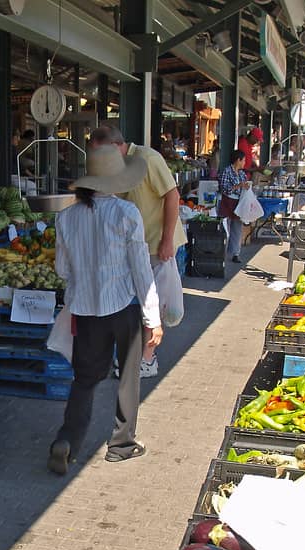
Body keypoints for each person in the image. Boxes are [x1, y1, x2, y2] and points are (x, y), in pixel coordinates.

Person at [47, 144, 161, 475]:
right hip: (123, 309)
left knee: (84, 379)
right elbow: (142, 270)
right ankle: (121, 445)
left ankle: (66, 441)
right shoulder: (127, 214)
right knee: (127, 377)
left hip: (85, 311)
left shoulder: (66, 217)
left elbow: (62, 270)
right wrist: (153, 319)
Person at [89, 122, 187, 379]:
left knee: (151, 307)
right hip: (135, 247)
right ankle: (134, 356)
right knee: (136, 305)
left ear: (115, 146)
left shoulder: (147, 159)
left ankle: (147, 360)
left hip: (157, 247)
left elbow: (172, 196)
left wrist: (167, 240)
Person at [218, 150, 249, 264]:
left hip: (239, 202)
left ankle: (236, 253)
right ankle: (222, 252)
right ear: (238, 160)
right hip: (227, 202)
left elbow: (245, 185)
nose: (245, 162)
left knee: (237, 229)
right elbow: (224, 188)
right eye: (243, 160)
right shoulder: (227, 171)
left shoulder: (241, 174)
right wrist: (238, 186)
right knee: (226, 228)